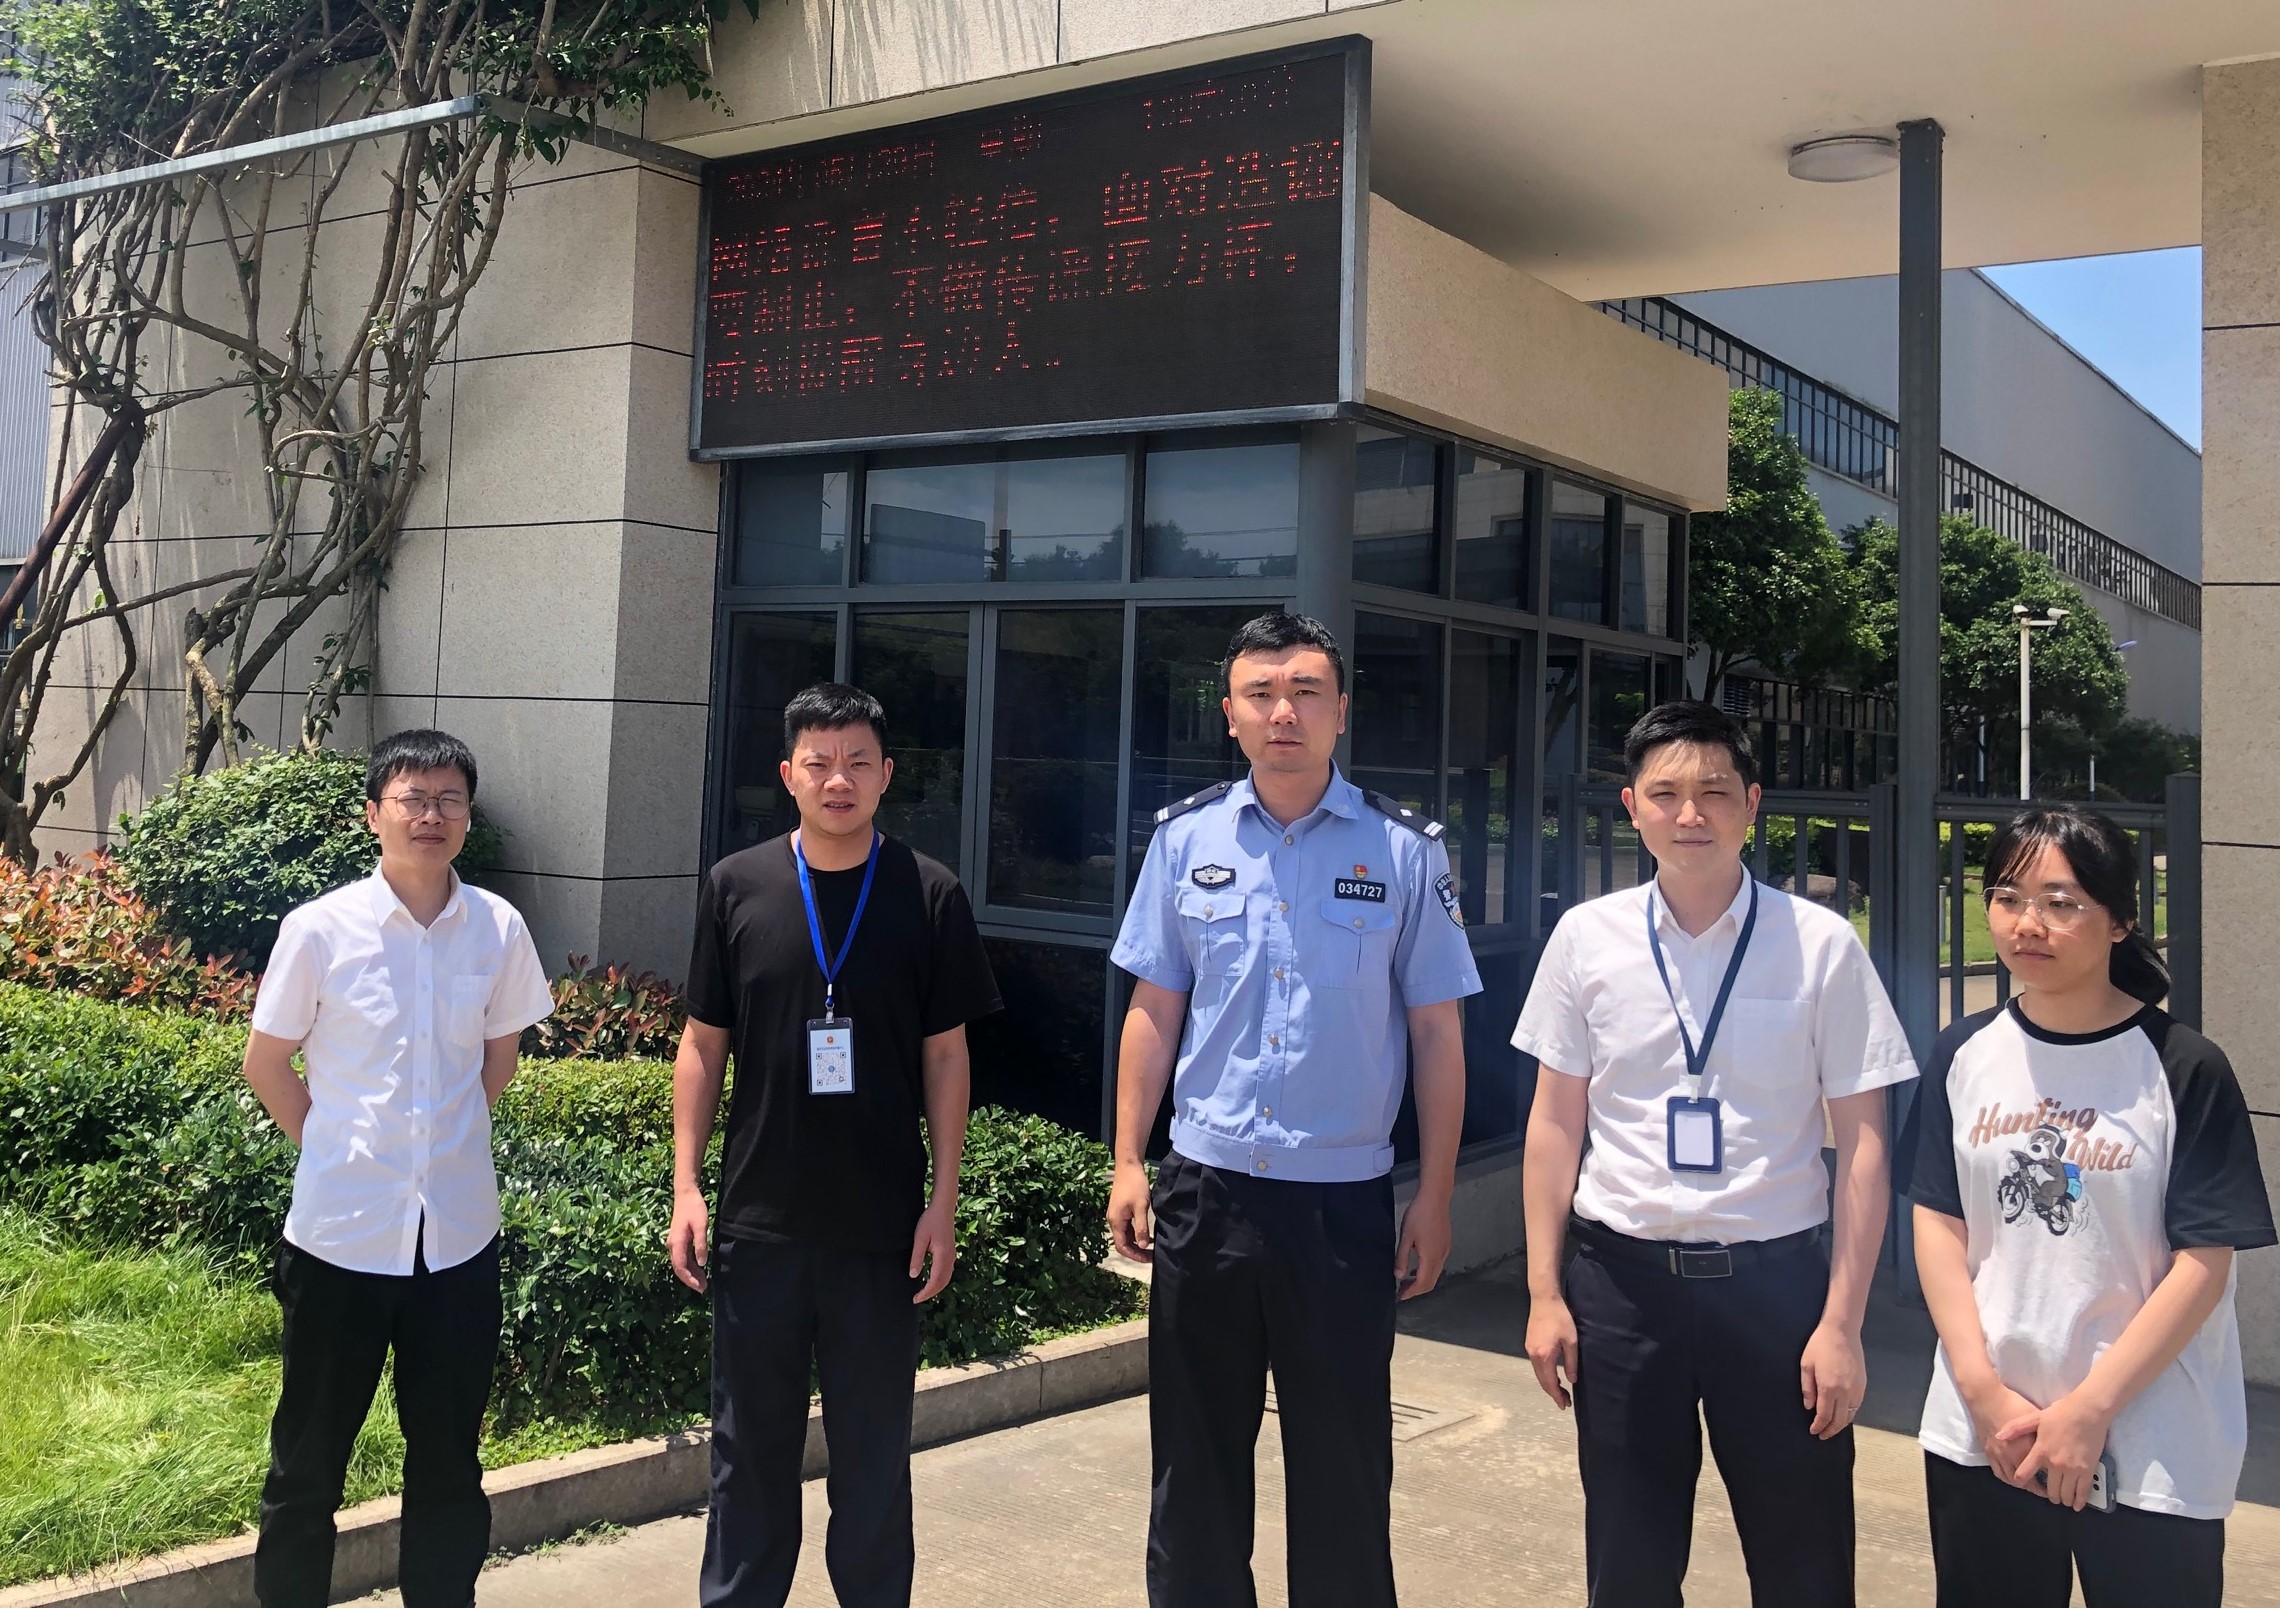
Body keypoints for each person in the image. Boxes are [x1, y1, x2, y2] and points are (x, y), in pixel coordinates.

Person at [1106, 610, 1479, 1608]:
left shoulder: (1404, 852)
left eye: (1307, 692)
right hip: (1206, 1194)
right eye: (1262, 694)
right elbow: (1154, 1008)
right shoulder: (1184, 840)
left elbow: (1439, 1036)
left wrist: (1436, 1195)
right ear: (1229, 713)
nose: (1285, 712)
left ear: (1341, 711)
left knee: (1344, 1468)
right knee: (1193, 1466)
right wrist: (1130, 1161)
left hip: (1340, 1208)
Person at [1513, 700, 1917, 1608]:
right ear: (1632, 806)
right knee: (1630, 1564)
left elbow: (1863, 1143)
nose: (1689, 814)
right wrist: (1544, 1293)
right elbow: (1555, 1123)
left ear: (1752, 804)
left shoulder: (1821, 944)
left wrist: (1842, 1324)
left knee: (1805, 1564)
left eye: (1715, 792)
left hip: (1778, 1295)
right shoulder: (1586, 938)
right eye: (1666, 794)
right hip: (1622, 1290)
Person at [668, 682, 999, 1608]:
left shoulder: (929, 892)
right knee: (747, 1453)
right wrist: (687, 1187)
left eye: (858, 762)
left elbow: (946, 1057)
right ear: (788, 774)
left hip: (879, 1231)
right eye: (819, 762)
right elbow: (701, 1046)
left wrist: (942, 1202)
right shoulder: (737, 884)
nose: (838, 780)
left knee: (874, 1457)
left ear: (888, 774)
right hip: (760, 1223)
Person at [1897, 806, 2274, 1607]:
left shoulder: (2183, 1068)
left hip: (2153, 1444)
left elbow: (2203, 1264)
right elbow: (1938, 1221)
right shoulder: (1962, 1053)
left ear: (2120, 921)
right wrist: (1982, 1389)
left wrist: (2089, 1410)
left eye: (2061, 903)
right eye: (2007, 898)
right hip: (1987, 1433)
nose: (2027, 924)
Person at [242, 728, 555, 1608]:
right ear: (373, 814)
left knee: (450, 1464)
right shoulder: (320, 929)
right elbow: (267, 1064)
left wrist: (439, 1149)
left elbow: (498, 1061)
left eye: (449, 800)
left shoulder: (497, 927)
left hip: (456, 1244)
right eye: (412, 799)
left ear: (467, 816)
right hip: (339, 1242)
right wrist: (339, 1150)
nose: (431, 816)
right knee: (307, 1465)